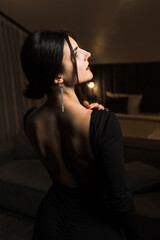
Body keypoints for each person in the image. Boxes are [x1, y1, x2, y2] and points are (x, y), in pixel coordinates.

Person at [21, 30, 139, 240]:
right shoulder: (103, 122)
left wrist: (95, 122)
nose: (88, 53)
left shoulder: (30, 120)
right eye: (76, 53)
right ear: (58, 76)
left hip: (49, 222)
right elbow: (120, 199)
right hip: (96, 225)